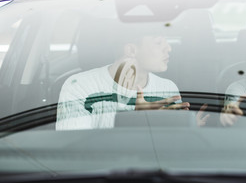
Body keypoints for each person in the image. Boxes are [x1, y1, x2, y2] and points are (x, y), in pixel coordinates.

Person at [56, 19, 190, 130]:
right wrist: (137, 121)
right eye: (158, 42)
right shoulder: (80, 87)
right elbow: (74, 152)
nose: (168, 48)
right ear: (131, 50)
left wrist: (189, 130)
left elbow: (170, 147)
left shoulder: (167, 89)